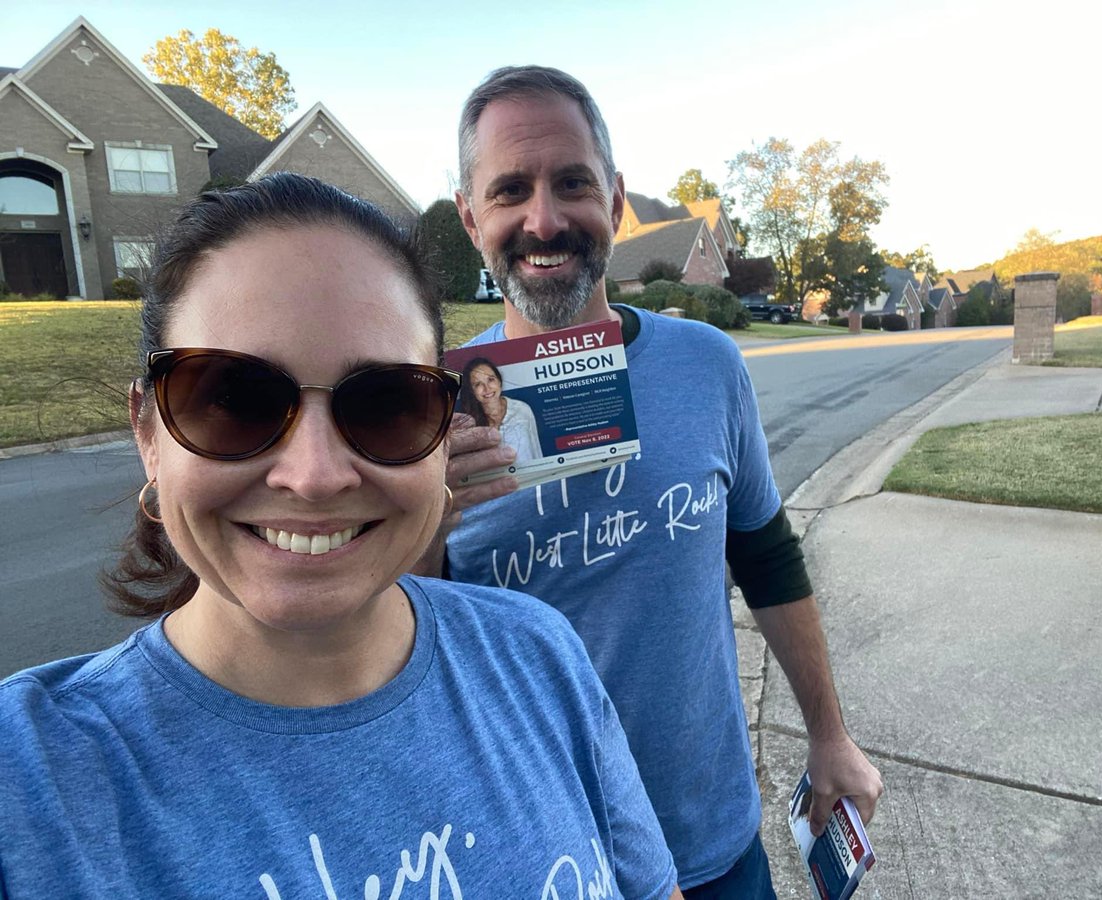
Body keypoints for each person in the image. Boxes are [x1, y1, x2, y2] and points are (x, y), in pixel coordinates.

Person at [0, 174, 683, 898]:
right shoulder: (30, 780)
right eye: (234, 398)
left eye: (387, 402)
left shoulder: (540, 655)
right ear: (149, 434)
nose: (317, 475)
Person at [435, 67, 884, 896]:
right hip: (541, 862)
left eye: (572, 183)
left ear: (613, 200)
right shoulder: (427, 411)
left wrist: (829, 733)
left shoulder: (706, 364)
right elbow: (391, 643)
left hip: (711, 839)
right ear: (471, 218)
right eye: (509, 191)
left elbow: (767, 556)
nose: (544, 218)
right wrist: (421, 522)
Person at [460, 356, 542, 462]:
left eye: (490, 380)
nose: (487, 388)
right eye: (478, 384)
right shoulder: (468, 425)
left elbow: (536, 451)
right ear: (471, 390)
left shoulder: (522, 410)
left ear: (499, 381)